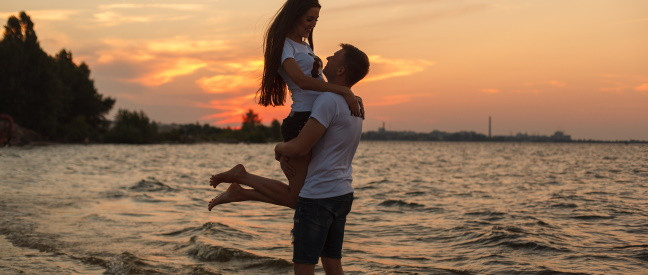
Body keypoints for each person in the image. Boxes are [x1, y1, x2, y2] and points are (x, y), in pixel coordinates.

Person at [209, 43, 370, 275]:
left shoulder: (328, 101)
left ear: (342, 70)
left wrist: (280, 147)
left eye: (334, 57)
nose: (327, 58)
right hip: (342, 193)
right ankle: (242, 188)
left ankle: (242, 182)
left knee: (304, 267)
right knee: (333, 264)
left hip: (318, 198)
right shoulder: (356, 105)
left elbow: (300, 146)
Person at [209, 0, 362, 209]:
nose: (313, 24)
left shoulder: (304, 45)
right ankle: (241, 178)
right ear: (294, 16)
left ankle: (239, 191)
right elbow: (301, 80)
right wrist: (343, 91)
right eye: (309, 19)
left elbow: (317, 82)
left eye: (316, 20)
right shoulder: (284, 45)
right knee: (297, 199)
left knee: (306, 193)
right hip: (301, 122)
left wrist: (345, 97)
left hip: (314, 119)